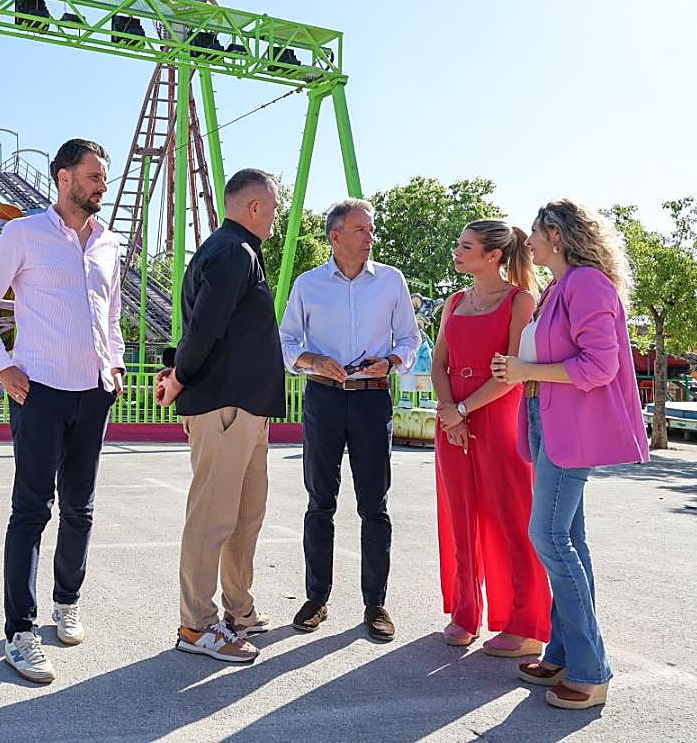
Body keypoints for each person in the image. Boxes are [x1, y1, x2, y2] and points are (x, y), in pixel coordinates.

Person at [0, 138, 125, 684]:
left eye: (103, 177)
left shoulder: (108, 243)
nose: (102, 185)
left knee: (81, 508)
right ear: (63, 178)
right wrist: (1, 365)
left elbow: (113, 315)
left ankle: (67, 603)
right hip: (39, 393)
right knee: (32, 511)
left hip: (94, 392)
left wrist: (117, 364)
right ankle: (20, 632)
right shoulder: (23, 233)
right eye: (93, 176)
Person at [491, 199, 648, 710]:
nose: (528, 242)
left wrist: (525, 372)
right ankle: (562, 652)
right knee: (569, 538)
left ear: (555, 235)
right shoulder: (560, 286)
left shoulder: (586, 284)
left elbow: (599, 365)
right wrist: (522, 369)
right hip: (548, 422)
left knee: (550, 538)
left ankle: (591, 670)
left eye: (534, 233)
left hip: (569, 431)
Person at [155, 169, 287, 664]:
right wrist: (181, 376)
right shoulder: (234, 251)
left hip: (247, 407)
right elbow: (206, 325)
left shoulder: (236, 251)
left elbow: (214, 326)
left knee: (246, 517)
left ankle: (239, 610)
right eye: (273, 208)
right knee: (213, 518)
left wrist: (176, 366)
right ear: (253, 207)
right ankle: (196, 625)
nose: (275, 217)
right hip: (225, 406)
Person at [279, 198, 420, 641]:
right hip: (323, 398)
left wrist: (393, 360)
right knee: (320, 502)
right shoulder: (308, 284)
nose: (370, 238)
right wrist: (311, 359)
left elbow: (411, 338)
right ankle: (316, 598)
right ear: (335, 236)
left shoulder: (391, 281)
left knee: (373, 505)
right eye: (361, 230)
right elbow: (284, 340)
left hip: (372, 400)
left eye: (371, 230)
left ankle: (375, 604)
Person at [431, 220, 551, 656]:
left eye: (466, 247)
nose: (457, 253)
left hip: (498, 415)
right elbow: (438, 362)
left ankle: (525, 621)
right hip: (452, 421)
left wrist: (463, 410)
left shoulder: (521, 300)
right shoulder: (455, 301)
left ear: (493, 255)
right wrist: (449, 414)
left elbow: (512, 371)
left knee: (510, 517)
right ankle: (465, 611)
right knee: (459, 515)